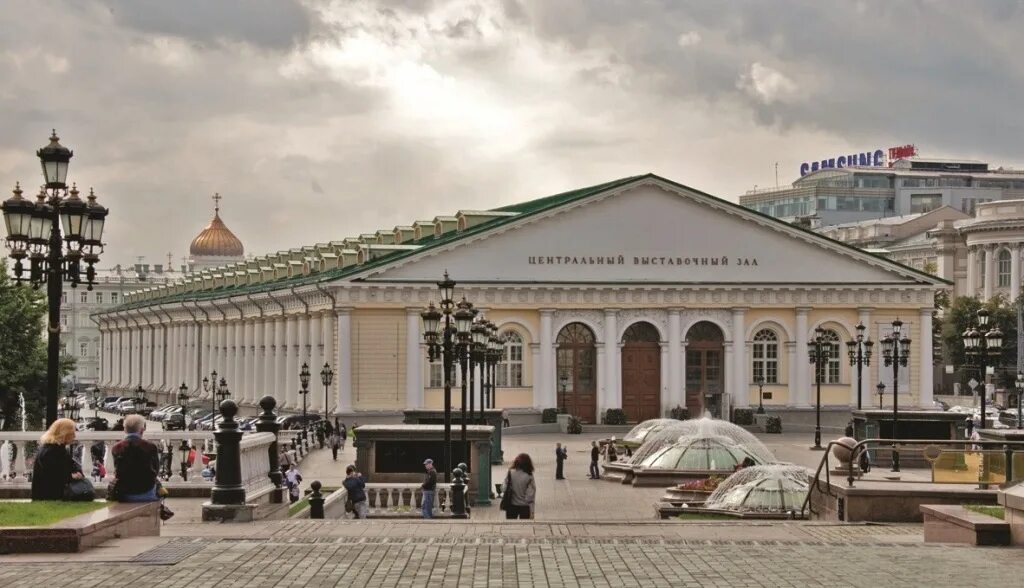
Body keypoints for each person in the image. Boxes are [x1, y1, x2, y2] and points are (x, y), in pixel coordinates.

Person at [110, 414, 161, 502]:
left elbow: (117, 470)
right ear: (142, 430)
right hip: (147, 491)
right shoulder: (150, 447)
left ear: (125, 430)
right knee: (159, 487)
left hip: (124, 492)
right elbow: (156, 470)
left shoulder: (117, 448)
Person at [31, 418, 84, 500]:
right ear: (65, 434)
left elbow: (72, 466)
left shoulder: (55, 449)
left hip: (48, 495)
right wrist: (72, 476)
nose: (74, 436)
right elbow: (54, 476)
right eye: (72, 433)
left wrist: (77, 472)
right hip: (49, 496)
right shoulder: (51, 451)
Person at [504, 453, 536, 520]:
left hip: (511, 505)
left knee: (510, 527)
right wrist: (532, 511)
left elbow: (503, 488)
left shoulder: (511, 473)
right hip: (525, 506)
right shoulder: (529, 475)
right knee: (524, 527)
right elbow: (530, 495)